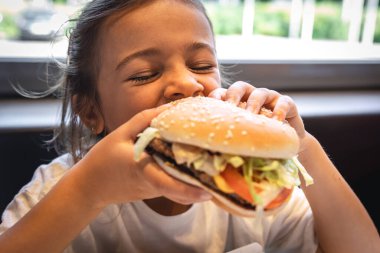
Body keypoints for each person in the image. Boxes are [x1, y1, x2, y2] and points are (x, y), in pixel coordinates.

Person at [0, 0, 378, 252]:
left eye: (201, 66)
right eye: (145, 73)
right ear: (91, 111)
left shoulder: (250, 184)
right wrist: (88, 190)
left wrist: (302, 146)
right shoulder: (59, 188)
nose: (188, 83)